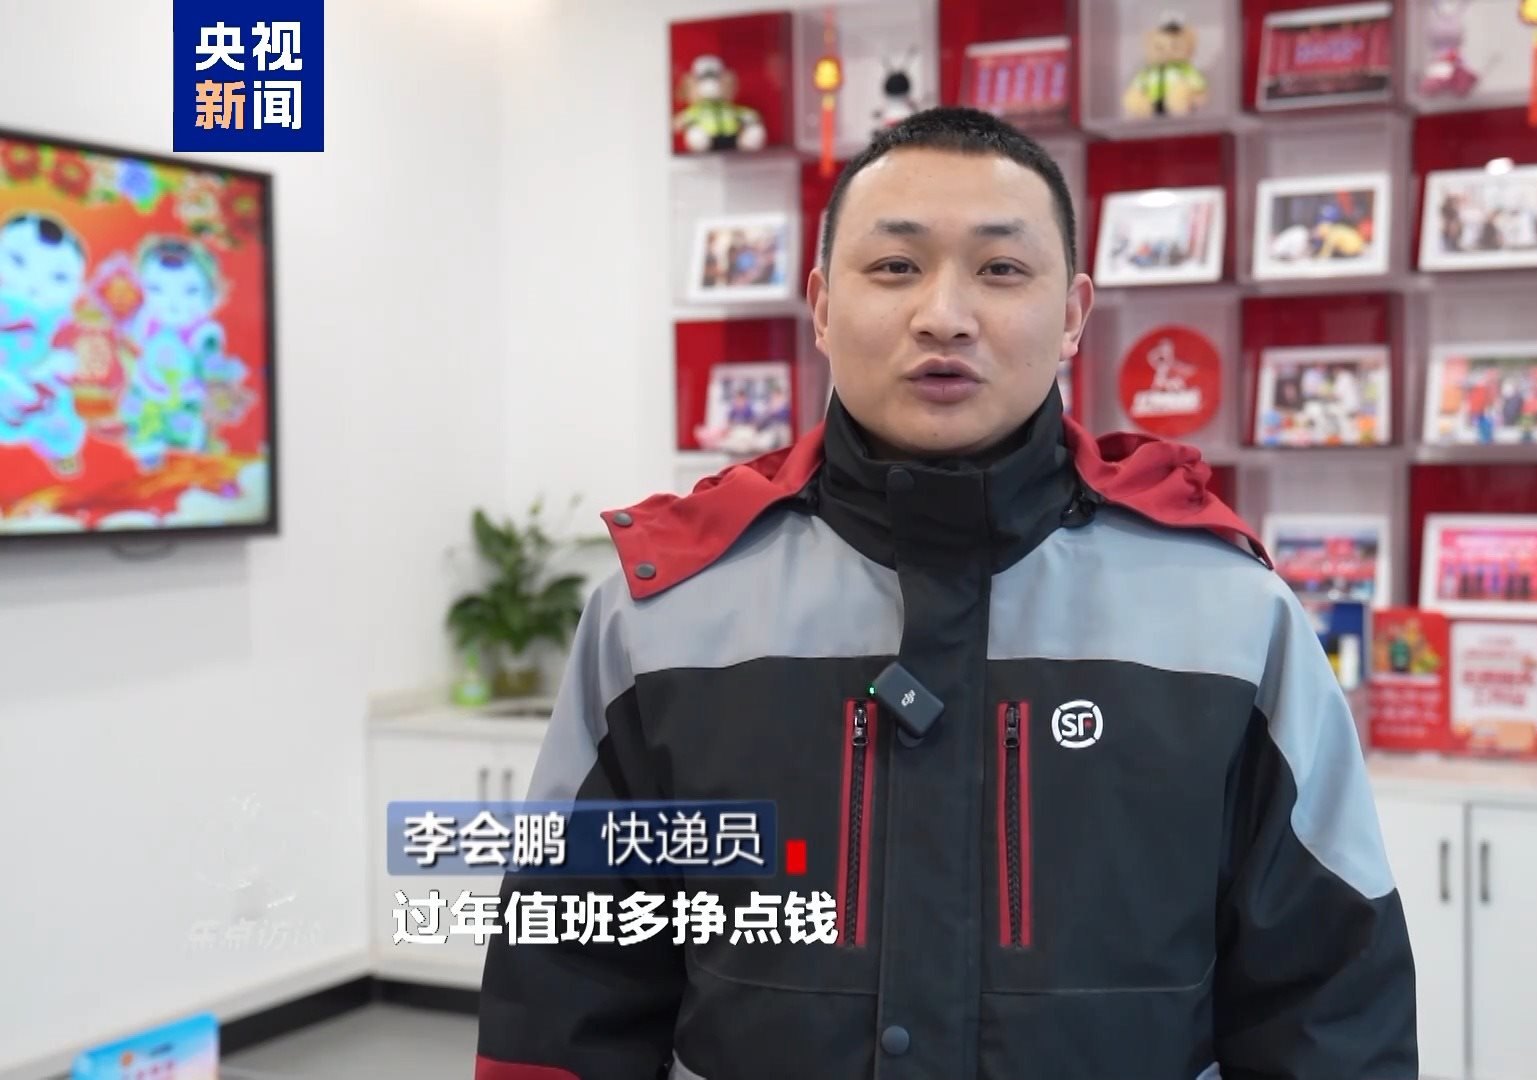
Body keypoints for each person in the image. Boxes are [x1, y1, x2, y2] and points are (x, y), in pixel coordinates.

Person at [474, 106, 1417, 1080]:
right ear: (822, 307)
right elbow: (564, 988)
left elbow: (1329, 1003)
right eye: (895, 266)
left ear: (1072, 316)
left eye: (1001, 269)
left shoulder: (1229, 615)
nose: (944, 314)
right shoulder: (663, 616)